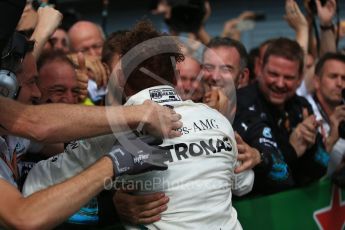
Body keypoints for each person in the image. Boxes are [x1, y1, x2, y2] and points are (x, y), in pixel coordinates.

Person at [24, 20, 254, 229]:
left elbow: (36, 183)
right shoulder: (217, 119)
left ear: (121, 79)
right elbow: (243, 183)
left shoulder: (110, 130)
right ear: (175, 78)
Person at [234, 37, 331, 195]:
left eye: (288, 77)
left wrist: (311, 145)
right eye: (273, 74)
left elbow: (321, 167)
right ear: (259, 69)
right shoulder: (240, 103)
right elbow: (276, 181)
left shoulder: (301, 106)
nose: (280, 83)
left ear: (300, 79)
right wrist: (291, 150)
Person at [306, 52, 345, 176]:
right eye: (333, 76)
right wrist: (332, 137)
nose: (340, 84)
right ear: (317, 81)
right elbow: (308, 171)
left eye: (344, 78)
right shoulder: (305, 111)